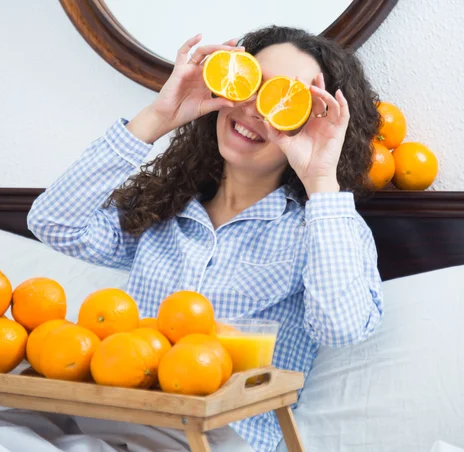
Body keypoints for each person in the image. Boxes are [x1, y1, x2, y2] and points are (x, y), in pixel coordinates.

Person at [26, 25, 385, 452]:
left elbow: (340, 328)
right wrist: (159, 116)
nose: (254, 110)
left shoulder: (323, 227)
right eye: (252, 85)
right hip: (96, 420)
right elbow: (52, 223)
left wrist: (321, 178)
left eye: (285, 101)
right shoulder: (163, 210)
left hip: (214, 440)